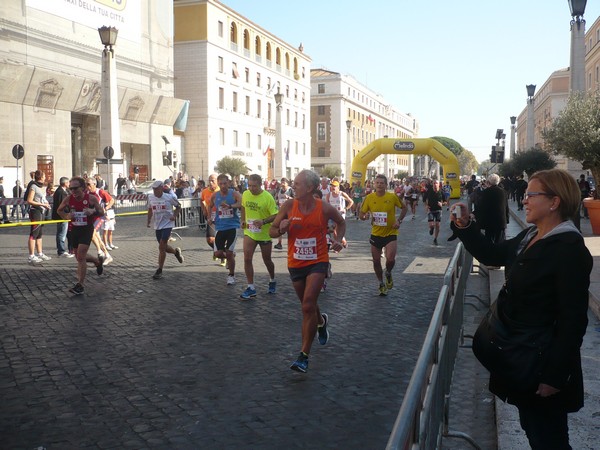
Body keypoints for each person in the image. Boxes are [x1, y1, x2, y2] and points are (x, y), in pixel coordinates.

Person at [449, 168, 592, 450]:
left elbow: (573, 319)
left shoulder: (569, 250)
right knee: (534, 431)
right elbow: (493, 254)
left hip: (540, 363)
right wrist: (466, 226)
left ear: (554, 202)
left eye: (531, 195)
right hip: (520, 358)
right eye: (524, 195)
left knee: (549, 439)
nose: (523, 201)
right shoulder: (530, 235)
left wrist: (554, 376)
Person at [269, 169, 346, 373]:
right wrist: (281, 229)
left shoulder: (323, 208)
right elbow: (272, 231)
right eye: (293, 183)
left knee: (307, 305)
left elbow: (341, 221)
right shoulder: (288, 205)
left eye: (297, 184)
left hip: (318, 261)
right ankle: (321, 321)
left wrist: (338, 240)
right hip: (295, 262)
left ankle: (303, 356)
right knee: (307, 304)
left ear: (310, 187)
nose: (293, 187)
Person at [360, 174, 408, 296]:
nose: (380, 185)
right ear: (374, 184)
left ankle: (388, 273)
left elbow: (404, 208)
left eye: (382, 183)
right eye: (377, 183)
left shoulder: (392, 197)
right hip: (376, 234)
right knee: (376, 261)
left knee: (390, 259)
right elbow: (362, 213)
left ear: (386, 185)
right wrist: (364, 217)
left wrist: (399, 221)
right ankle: (381, 283)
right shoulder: (369, 198)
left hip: (391, 233)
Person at [57, 176, 106, 295]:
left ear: (83, 188)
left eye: (75, 188)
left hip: (87, 229)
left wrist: (92, 211)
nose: (73, 191)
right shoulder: (69, 199)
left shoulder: (91, 199)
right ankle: (97, 261)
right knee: (78, 256)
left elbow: (101, 212)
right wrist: (67, 216)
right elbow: (59, 210)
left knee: (81, 256)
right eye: (71, 188)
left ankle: (80, 285)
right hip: (75, 230)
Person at [239, 174, 279, 299]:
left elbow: (276, 215)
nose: (251, 188)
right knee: (247, 258)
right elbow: (243, 207)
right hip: (250, 232)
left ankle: (272, 279)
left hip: (264, 233)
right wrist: (243, 220)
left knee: (267, 260)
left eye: (254, 186)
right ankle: (251, 287)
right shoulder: (246, 194)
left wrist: (263, 221)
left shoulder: (267, 197)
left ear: (260, 185)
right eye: (249, 186)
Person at [207, 173, 242, 285]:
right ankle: (231, 256)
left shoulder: (234, 194)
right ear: (218, 183)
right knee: (217, 253)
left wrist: (231, 206)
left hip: (233, 226)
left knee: (229, 252)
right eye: (221, 183)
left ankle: (231, 275)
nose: (223, 186)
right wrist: (209, 217)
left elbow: (241, 203)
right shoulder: (215, 195)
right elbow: (209, 205)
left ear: (229, 183)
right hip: (220, 227)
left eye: (225, 183)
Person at [146, 180, 184, 279]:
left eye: (157, 190)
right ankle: (176, 252)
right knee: (163, 247)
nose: (155, 192)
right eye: (153, 190)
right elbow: (150, 209)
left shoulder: (169, 197)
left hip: (168, 224)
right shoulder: (151, 197)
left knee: (161, 247)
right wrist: (149, 220)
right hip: (158, 225)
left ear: (162, 188)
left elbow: (178, 206)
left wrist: (174, 215)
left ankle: (159, 270)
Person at [25, 170, 51, 264]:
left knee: (39, 234)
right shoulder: (33, 186)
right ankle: (31, 255)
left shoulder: (40, 187)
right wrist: (42, 204)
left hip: (41, 212)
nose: (45, 177)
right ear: (40, 177)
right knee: (33, 233)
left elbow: (41, 199)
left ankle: (40, 253)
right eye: (44, 176)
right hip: (35, 212)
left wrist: (45, 203)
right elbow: (29, 200)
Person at [475, 173, 509, 245]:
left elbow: (481, 207)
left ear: (488, 182)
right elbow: (506, 207)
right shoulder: (503, 192)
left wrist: (476, 216)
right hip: (501, 222)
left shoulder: (486, 192)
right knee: (500, 243)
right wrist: (507, 219)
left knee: (489, 243)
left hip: (489, 223)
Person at [324, 180, 353, 247]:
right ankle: (343, 242)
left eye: (334, 186)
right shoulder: (329, 195)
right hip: (332, 215)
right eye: (332, 186)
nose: (332, 187)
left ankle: (337, 245)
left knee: (336, 230)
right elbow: (327, 205)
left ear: (338, 187)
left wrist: (345, 209)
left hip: (340, 214)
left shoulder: (342, 194)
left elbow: (351, 202)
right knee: (334, 231)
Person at [52, 177, 73, 258]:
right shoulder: (61, 192)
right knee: (62, 233)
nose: (69, 184)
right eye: (68, 183)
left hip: (63, 215)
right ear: (65, 183)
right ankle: (61, 251)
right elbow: (62, 205)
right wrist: (67, 212)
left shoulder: (63, 191)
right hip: (62, 216)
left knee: (63, 232)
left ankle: (62, 250)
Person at [274, 177, 293, 249]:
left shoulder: (291, 190)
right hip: (281, 210)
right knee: (280, 226)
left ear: (287, 183)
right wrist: (277, 201)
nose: (282, 184)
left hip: (289, 211)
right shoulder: (279, 190)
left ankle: (291, 243)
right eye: (281, 182)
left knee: (289, 227)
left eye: (284, 183)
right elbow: (276, 199)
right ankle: (279, 243)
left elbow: (295, 199)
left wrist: (288, 197)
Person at [425, 180, 443, 245]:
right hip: (430, 210)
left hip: (438, 210)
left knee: (438, 225)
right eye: (434, 183)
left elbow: (445, 202)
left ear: (439, 185)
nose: (435, 184)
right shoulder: (429, 191)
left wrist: (442, 204)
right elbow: (424, 199)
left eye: (436, 183)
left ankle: (435, 239)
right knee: (431, 225)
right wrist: (426, 205)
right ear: (432, 184)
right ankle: (431, 229)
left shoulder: (441, 192)